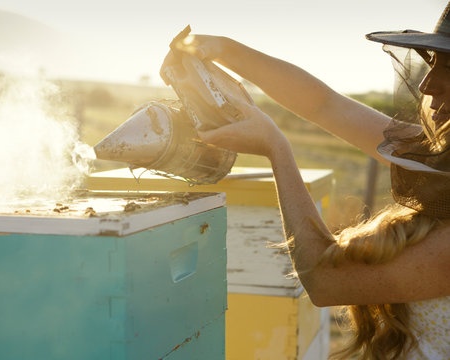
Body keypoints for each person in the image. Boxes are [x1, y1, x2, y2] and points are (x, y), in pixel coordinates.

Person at [170, 5, 450, 360]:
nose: (427, 83)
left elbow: (324, 282)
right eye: (433, 61)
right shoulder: (438, 157)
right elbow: (325, 105)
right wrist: (224, 49)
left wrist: (277, 149)